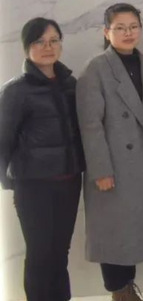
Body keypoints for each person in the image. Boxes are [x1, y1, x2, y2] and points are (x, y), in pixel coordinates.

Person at [0, 17, 85, 301]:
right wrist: (10, 182)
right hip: (34, 185)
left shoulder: (70, 84)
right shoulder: (15, 90)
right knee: (39, 254)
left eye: (53, 41)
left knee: (60, 252)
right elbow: (3, 140)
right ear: (27, 47)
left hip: (69, 181)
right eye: (39, 42)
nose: (48, 47)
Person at [77, 4, 143, 301]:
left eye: (133, 26)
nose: (128, 33)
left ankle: (128, 286)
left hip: (141, 165)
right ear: (106, 32)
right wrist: (100, 169)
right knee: (112, 232)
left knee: (131, 231)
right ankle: (118, 291)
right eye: (119, 27)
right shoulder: (96, 68)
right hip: (112, 166)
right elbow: (90, 124)